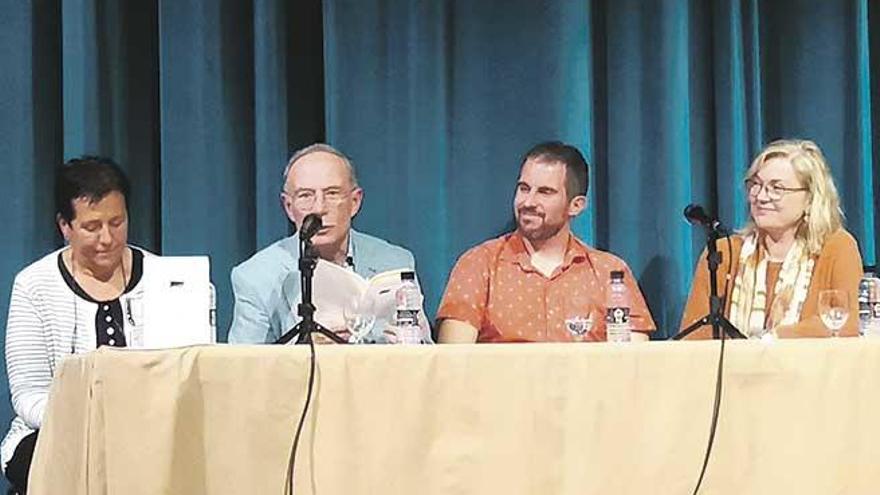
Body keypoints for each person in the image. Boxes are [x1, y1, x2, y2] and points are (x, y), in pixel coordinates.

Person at [2, 157, 149, 494]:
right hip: (58, 431)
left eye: (117, 222)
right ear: (64, 226)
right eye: (92, 227)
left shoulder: (164, 278)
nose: (107, 239)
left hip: (146, 429)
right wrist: (91, 421)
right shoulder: (33, 286)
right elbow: (28, 396)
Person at [436, 141, 656, 343]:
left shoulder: (611, 273)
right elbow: (454, 363)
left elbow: (633, 366)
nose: (528, 202)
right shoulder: (478, 264)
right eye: (524, 188)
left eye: (545, 192)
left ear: (576, 205)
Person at [228, 143, 426, 344]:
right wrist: (304, 352)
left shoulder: (395, 262)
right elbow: (244, 367)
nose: (319, 208)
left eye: (332, 193)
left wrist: (413, 345)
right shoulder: (256, 276)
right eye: (306, 195)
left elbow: (429, 355)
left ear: (355, 202)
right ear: (288, 207)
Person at [679, 139, 863, 339]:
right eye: (755, 185)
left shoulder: (836, 247)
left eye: (777, 188)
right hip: (734, 369)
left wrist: (772, 339)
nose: (761, 197)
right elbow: (694, 334)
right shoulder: (723, 251)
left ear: (810, 199)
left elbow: (845, 323)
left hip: (810, 369)